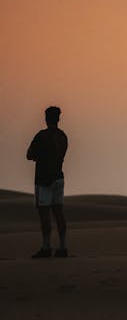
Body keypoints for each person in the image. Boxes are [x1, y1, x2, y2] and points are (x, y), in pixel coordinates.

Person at [27, 106, 68, 258]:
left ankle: (46, 247)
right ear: (58, 118)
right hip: (58, 177)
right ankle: (63, 246)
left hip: (43, 179)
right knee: (59, 213)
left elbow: (29, 154)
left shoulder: (42, 136)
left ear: (46, 118)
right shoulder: (63, 136)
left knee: (44, 214)